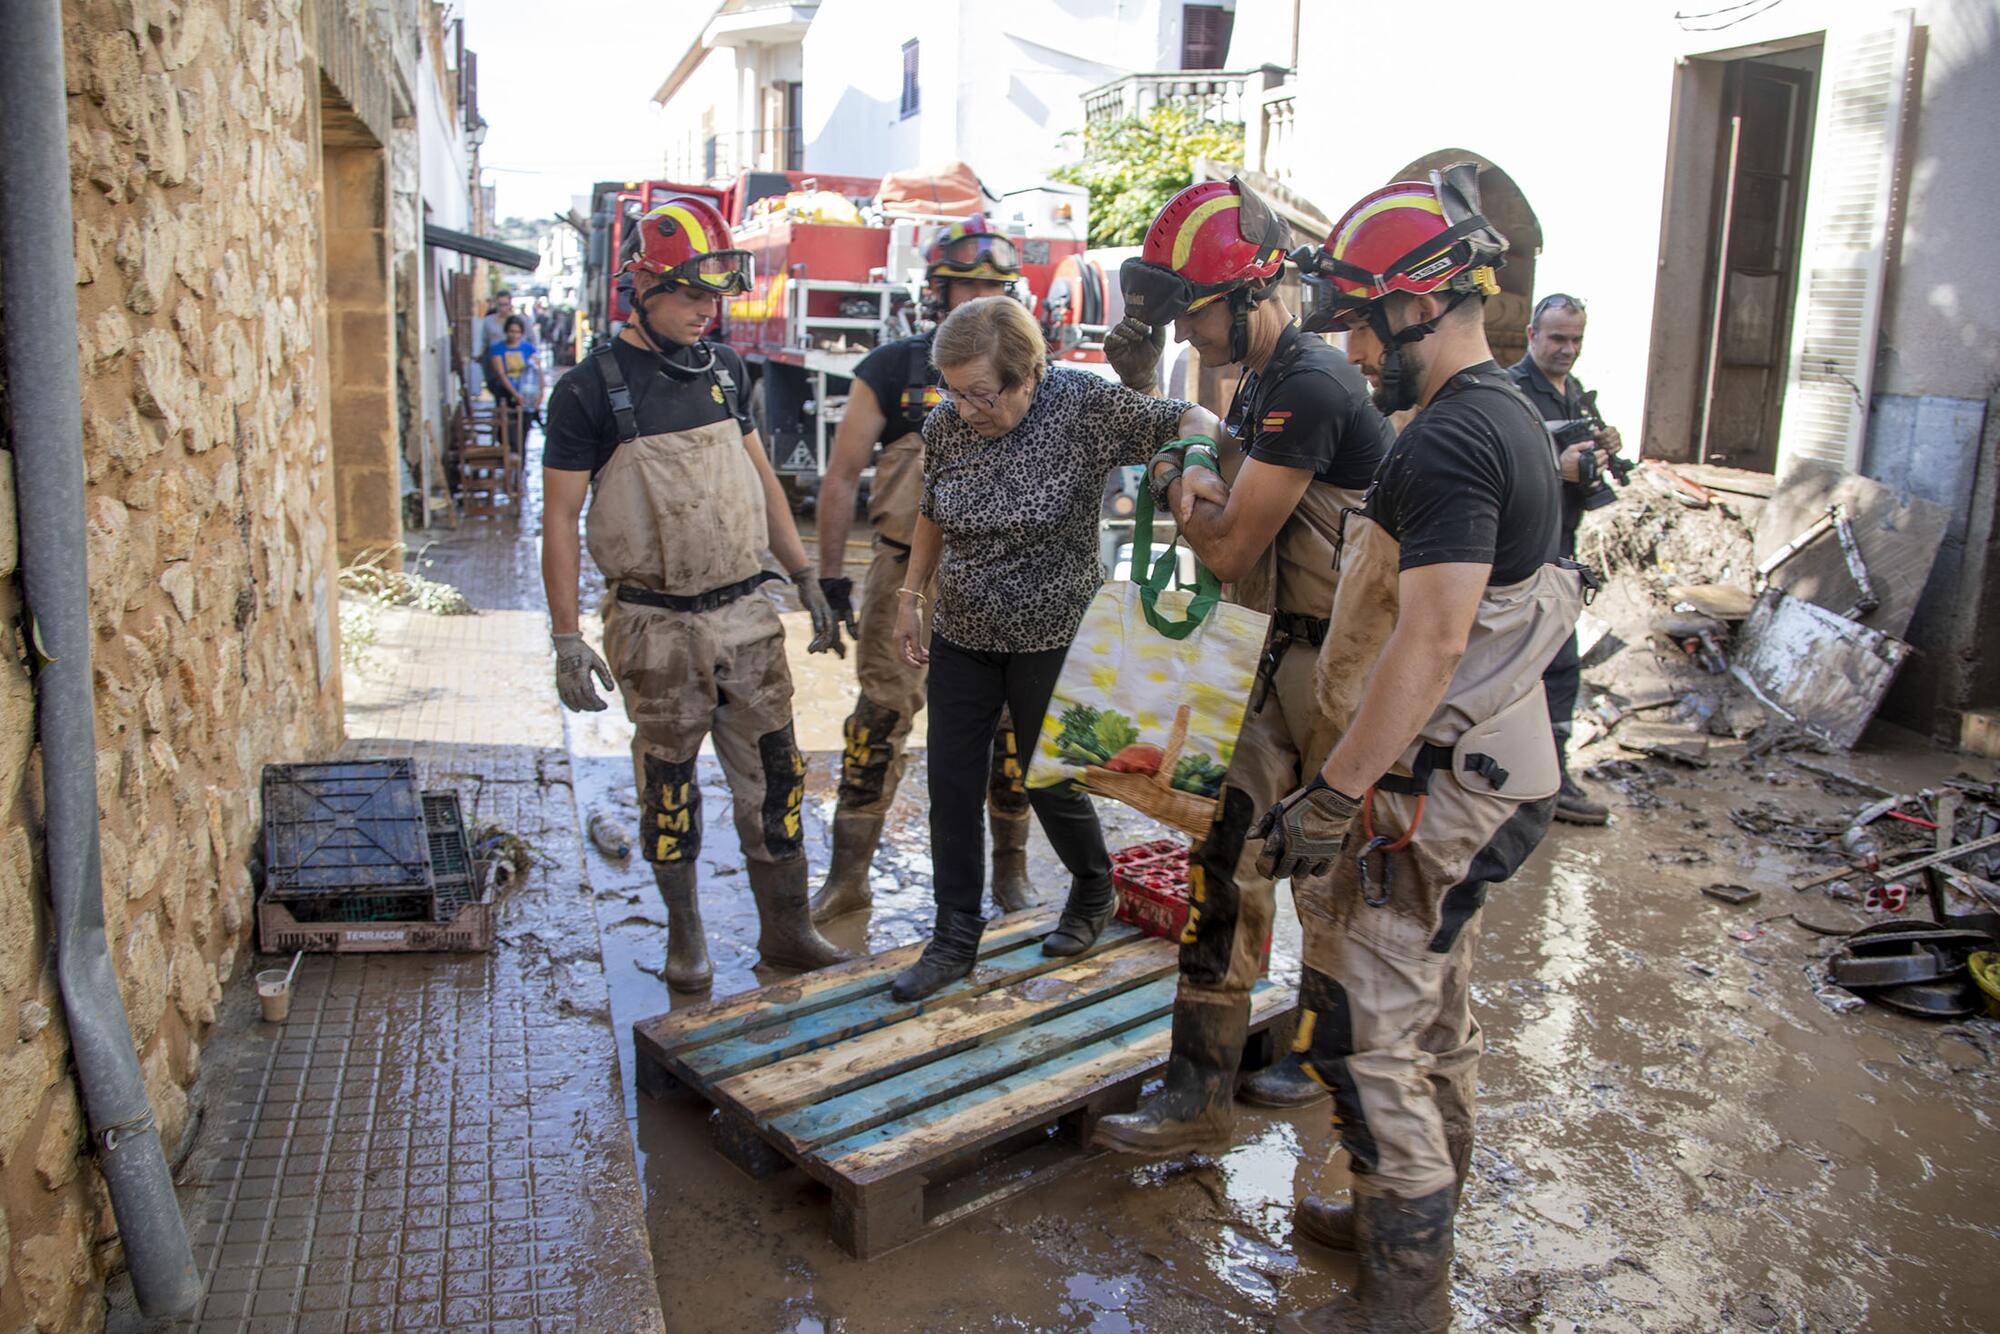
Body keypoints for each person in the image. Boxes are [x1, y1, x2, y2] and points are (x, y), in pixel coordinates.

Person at [1263, 167, 1590, 1331]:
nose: (1349, 342)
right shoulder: (1508, 411)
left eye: (1358, 316)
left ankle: (1405, 1290)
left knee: (1366, 1027)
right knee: (1433, 999)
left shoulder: (1450, 440)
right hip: (1494, 772)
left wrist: (1331, 793)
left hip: (1435, 784)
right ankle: (1397, 1207)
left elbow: (1434, 634)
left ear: (1419, 303)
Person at [1087, 179, 1395, 1153]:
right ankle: (1197, 1092)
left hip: (1326, 667)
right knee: (1224, 859)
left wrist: (1177, 460)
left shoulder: (1309, 383)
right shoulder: (1266, 376)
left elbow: (1221, 544)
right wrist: (1179, 424)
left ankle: (1320, 1061)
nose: (1185, 326)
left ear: (1253, 291)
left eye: (1195, 308)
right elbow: (1227, 466)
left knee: (1327, 878)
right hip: (1266, 647)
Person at [539, 197, 851, 992]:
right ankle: (687, 940)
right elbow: (560, 518)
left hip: (746, 614)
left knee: (778, 779)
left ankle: (787, 933)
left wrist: (807, 575)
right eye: (688, 294)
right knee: (669, 788)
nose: (705, 312)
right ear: (641, 289)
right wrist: (567, 637)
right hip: (656, 626)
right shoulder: (586, 391)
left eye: (714, 297)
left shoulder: (723, 370)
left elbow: (764, 484)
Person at [887, 297, 1224, 1002]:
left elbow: (1191, 420)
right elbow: (931, 511)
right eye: (952, 389)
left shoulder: (1082, 405)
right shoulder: (947, 424)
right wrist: (908, 598)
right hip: (964, 633)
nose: (965, 407)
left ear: (1029, 375)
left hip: (1054, 633)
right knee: (950, 785)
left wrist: (1194, 460)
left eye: (981, 392)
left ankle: (1094, 888)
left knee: (1052, 779)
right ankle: (954, 934)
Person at [810, 216, 1040, 926]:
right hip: (904, 573)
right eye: (966, 286)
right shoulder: (893, 367)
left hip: (1003, 577)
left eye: (993, 289)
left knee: (1009, 725)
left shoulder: (1035, 373)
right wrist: (828, 580)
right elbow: (843, 475)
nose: (978, 300)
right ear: (937, 291)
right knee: (881, 715)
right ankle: (849, 877)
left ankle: (1011, 869)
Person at [1508, 294, 1623, 826]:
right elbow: (1506, 468)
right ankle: (1538, 784)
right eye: (1557, 338)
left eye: (1576, 339)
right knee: (1544, 669)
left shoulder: (1573, 392)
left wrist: (1603, 445)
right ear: (1532, 334)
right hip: (1528, 554)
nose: (1568, 349)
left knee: (1558, 669)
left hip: (1563, 549)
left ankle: (1544, 776)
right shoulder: (1513, 392)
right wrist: (1559, 470)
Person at [486, 314, 541, 449]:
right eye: (512, 331)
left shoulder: (528, 348)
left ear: (522, 333)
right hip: (506, 393)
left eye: (517, 332)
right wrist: (515, 395)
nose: (514, 335)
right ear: (506, 331)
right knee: (508, 434)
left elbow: (538, 372)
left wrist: (540, 394)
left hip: (527, 395)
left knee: (523, 435)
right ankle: (509, 463)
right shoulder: (497, 349)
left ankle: (520, 466)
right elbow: (501, 374)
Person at [478, 289, 514, 390]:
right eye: (500, 304)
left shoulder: (518, 320)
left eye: (505, 304)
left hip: (512, 362)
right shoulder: (488, 321)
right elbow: (484, 341)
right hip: (492, 363)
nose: (503, 308)